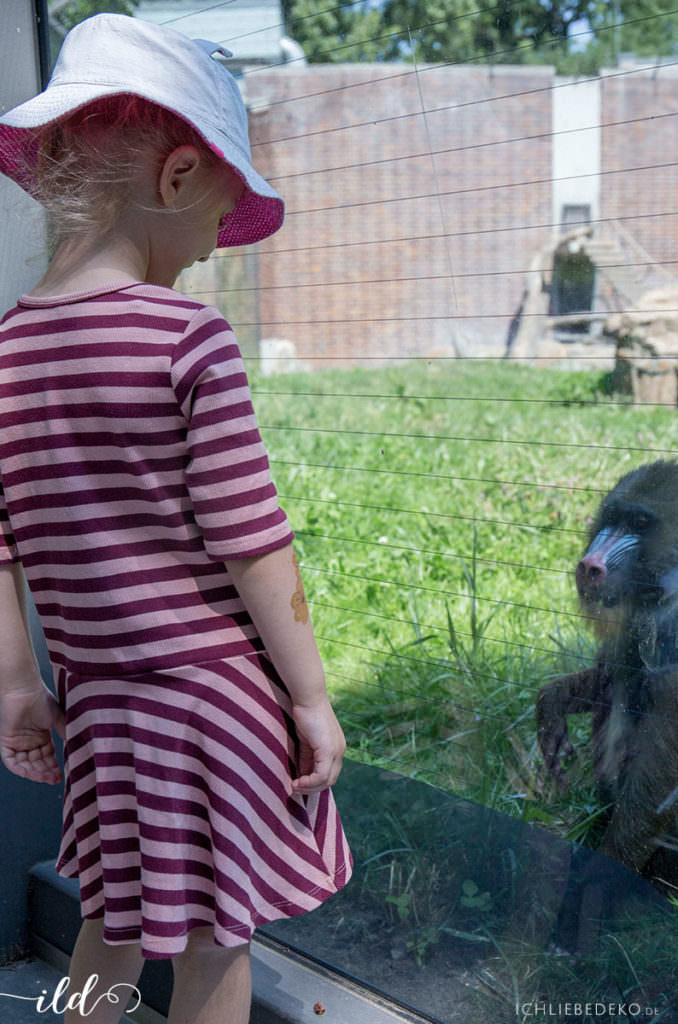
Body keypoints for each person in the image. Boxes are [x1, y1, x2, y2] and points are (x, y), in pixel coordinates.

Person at [0, 14, 352, 1024]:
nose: (207, 254)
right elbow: (252, 540)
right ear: (180, 176)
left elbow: (1, 543)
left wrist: (17, 682)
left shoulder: (10, 348)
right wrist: (312, 697)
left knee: (112, 911)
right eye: (218, 225)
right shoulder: (186, 338)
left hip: (97, 708)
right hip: (209, 708)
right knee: (213, 943)